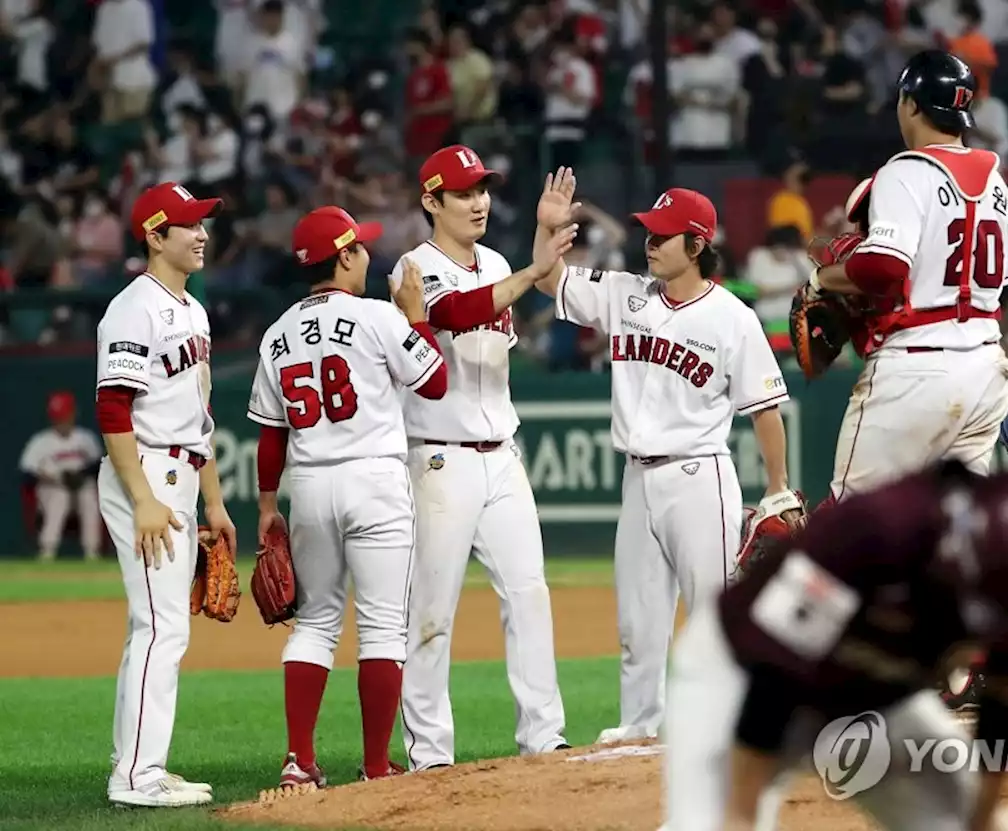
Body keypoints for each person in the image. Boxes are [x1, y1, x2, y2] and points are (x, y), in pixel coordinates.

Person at [533, 171, 804, 743]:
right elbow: (549, 280)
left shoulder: (733, 317)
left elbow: (766, 409)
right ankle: (641, 725)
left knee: (713, 615)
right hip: (638, 479)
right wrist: (545, 228)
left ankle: (735, 722)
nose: (650, 243)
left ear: (698, 245)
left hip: (698, 475)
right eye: (649, 233)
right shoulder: (625, 293)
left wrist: (777, 488)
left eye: (663, 234)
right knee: (638, 622)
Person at [660, 461, 1008, 831]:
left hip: (872, 692)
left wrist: (980, 819)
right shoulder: (878, 528)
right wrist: (741, 814)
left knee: (967, 820)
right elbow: (776, 671)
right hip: (740, 669)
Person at [246, 206, 449, 791]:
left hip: (309, 484)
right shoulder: (377, 316)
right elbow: (434, 383)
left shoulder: (277, 331)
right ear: (343, 258)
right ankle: (378, 766)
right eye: (358, 248)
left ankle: (299, 763)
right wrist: (417, 320)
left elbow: (270, 433)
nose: (366, 255)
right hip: (375, 480)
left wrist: (266, 507)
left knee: (313, 625)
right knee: (383, 627)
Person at [395, 145, 579, 771]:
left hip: (502, 455)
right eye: (464, 192)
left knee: (528, 591)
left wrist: (541, 244)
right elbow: (454, 313)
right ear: (432, 202)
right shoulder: (411, 268)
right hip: (438, 460)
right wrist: (530, 270)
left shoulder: (497, 260)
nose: (479, 202)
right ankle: (429, 752)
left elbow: (513, 302)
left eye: (483, 190)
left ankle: (544, 735)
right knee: (432, 608)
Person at [808, 50, 1008, 502]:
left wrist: (823, 280)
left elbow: (885, 267)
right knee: (958, 531)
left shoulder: (906, 171)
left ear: (909, 104)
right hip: (986, 368)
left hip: (918, 367)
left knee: (850, 526)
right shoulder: (998, 185)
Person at [96, 182, 236, 808]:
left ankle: (140, 762)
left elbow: (199, 417)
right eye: (188, 225)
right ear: (155, 236)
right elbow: (112, 406)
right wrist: (143, 498)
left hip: (179, 472)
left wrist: (213, 503)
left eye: (202, 222)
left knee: (158, 626)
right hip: (145, 473)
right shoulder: (134, 309)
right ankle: (135, 777)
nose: (201, 233)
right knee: (160, 626)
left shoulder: (193, 310)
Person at [20, 391, 103, 561]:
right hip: (51, 489)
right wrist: (55, 478)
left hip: (82, 486)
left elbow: (98, 465)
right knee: (60, 497)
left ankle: (92, 553)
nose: (61, 421)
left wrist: (79, 474)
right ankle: (47, 552)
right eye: (57, 417)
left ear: (73, 413)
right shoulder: (41, 441)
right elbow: (27, 472)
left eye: (64, 416)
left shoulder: (85, 438)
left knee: (88, 497)